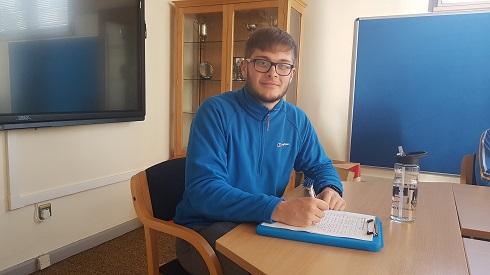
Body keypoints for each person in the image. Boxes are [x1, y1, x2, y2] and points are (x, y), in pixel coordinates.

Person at [173, 27, 346, 275]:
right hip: (204, 231)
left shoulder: (297, 119)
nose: (272, 73)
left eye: (283, 65)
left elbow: (320, 165)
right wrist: (277, 208)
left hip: (260, 222)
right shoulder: (214, 112)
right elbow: (204, 191)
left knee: (316, 260)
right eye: (262, 62)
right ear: (245, 68)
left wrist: (331, 188)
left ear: (292, 74)